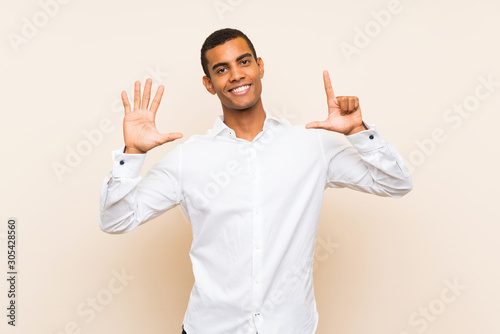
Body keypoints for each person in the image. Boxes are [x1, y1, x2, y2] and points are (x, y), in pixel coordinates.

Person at [98, 28, 412, 334]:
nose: (235, 74)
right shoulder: (188, 159)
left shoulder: (310, 145)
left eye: (244, 62)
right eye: (222, 69)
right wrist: (133, 152)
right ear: (209, 84)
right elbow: (116, 220)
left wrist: (358, 132)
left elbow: (396, 182)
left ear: (260, 66)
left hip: (291, 327)